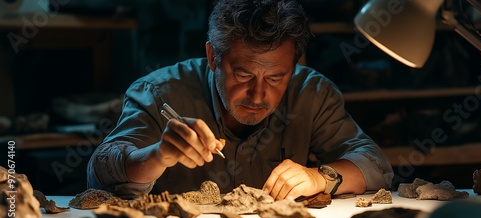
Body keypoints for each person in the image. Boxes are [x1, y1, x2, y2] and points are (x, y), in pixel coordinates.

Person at [87, 0, 394, 200]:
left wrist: (319, 177)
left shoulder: (311, 93)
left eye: (276, 78)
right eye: (244, 75)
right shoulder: (159, 92)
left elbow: (376, 165)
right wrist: (157, 156)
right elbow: (99, 178)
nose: (258, 95)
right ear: (212, 57)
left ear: (294, 66)